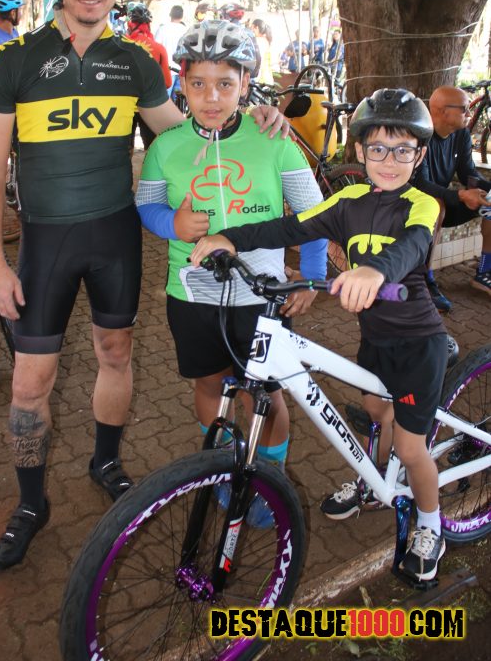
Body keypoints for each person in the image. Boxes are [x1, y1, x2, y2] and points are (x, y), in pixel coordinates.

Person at [0, 0, 287, 573]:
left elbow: (191, 132)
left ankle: (106, 461)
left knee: (116, 352)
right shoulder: (13, 59)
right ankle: (30, 504)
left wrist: (254, 114)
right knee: (30, 382)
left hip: (114, 234)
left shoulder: (135, 62)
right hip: (45, 242)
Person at [191, 88, 448, 583]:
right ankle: (373, 483)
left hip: (418, 344)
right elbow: (288, 228)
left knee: (411, 448)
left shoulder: (422, 204)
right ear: (360, 151)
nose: (389, 161)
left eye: (402, 150)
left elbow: (413, 246)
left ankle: (431, 525)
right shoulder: (348, 201)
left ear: (419, 156)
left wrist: (375, 271)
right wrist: (230, 238)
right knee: (376, 415)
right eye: (378, 148)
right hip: (375, 340)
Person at [136, 19, 327, 528]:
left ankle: (271, 479)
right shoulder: (165, 146)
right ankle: (223, 470)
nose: (211, 96)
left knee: (265, 393)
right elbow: (147, 206)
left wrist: (310, 275)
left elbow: (314, 213)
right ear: (181, 83)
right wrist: (172, 224)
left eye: (225, 83)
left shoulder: (274, 140)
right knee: (210, 383)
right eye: (198, 83)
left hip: (262, 298)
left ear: (245, 84)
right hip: (192, 296)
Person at [414, 85, 491, 309]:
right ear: (442, 111)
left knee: (490, 201)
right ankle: (424, 280)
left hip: (446, 200)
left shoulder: (461, 134)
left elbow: (468, 173)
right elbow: (421, 185)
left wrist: (487, 189)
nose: (469, 113)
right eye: (464, 109)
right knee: (435, 205)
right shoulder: (420, 137)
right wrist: (460, 195)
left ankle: (484, 271)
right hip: (413, 206)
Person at [126, 2, 172, 150]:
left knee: (125, 149)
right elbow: (167, 82)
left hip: (124, 107)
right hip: (150, 106)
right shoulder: (159, 48)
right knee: (151, 148)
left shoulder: (120, 46)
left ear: (130, 24)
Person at [154, 4, 185, 94]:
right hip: (181, 71)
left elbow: (155, 48)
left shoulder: (162, 29)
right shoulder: (186, 30)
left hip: (166, 71)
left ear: (170, 14)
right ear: (182, 16)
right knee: (179, 100)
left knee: (165, 99)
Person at [251, 18, 274, 85]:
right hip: (267, 77)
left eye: (252, 27)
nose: (251, 30)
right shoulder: (266, 40)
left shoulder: (257, 41)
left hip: (260, 77)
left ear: (256, 28)